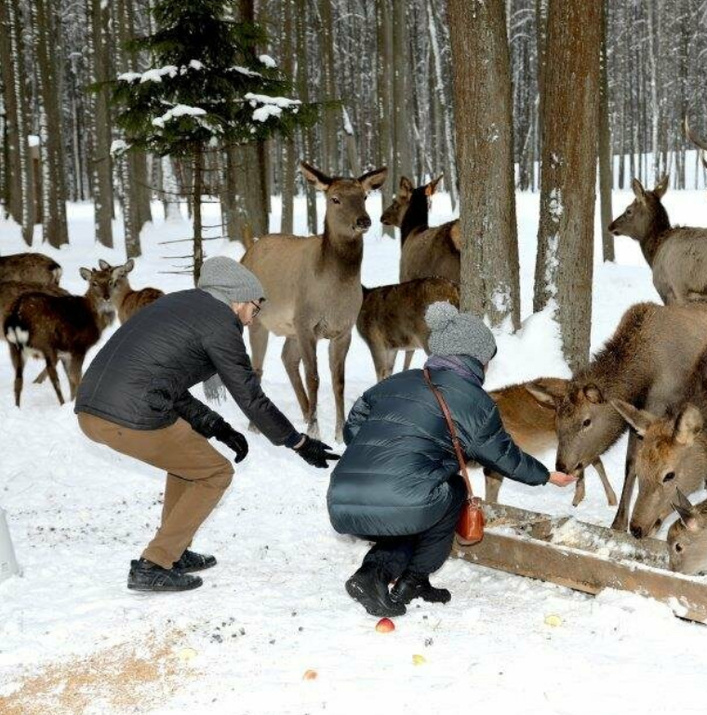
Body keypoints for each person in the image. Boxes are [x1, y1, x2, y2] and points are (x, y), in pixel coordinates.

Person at [75, 256, 339, 593]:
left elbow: (164, 382)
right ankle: (153, 564)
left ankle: (174, 549)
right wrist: (297, 442)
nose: (252, 318)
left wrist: (216, 426)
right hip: (128, 414)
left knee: (188, 460)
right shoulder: (220, 323)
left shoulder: (180, 304)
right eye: (255, 309)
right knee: (216, 473)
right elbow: (250, 396)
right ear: (239, 299)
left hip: (92, 409)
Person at [328, 302, 575, 617]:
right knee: (448, 494)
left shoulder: (394, 383)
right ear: (474, 359)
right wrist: (545, 475)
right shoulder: (472, 400)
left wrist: (378, 456)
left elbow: (353, 430)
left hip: (342, 497)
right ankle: (403, 578)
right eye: (487, 361)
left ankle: (380, 576)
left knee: (416, 499)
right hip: (396, 501)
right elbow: (503, 454)